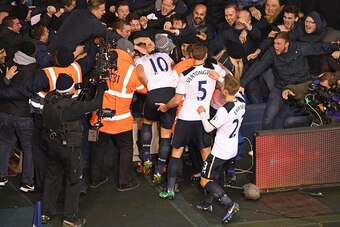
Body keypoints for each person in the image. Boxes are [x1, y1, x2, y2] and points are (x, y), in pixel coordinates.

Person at [157, 42, 226, 199]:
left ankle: (170, 189)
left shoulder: (185, 74)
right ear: (206, 55)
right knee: (206, 152)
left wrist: (165, 108)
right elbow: (229, 82)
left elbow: (176, 100)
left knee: (176, 151)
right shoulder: (213, 70)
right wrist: (220, 79)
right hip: (204, 118)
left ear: (191, 56)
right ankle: (211, 189)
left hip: (186, 118)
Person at [41, 73, 107, 226]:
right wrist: (101, 88)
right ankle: (69, 218)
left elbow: (69, 92)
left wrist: (84, 85)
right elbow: (96, 103)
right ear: (70, 90)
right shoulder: (72, 107)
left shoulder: (50, 98)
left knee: (52, 178)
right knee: (74, 181)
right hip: (69, 148)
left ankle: (45, 212)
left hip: (52, 145)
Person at [240, 31, 340, 130]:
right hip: (281, 87)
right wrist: (243, 83)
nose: (275, 46)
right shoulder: (271, 53)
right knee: (268, 118)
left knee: (318, 113)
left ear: (287, 44)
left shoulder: (299, 48)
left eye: (279, 44)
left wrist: (337, 47)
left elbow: (319, 47)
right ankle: (266, 143)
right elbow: (258, 67)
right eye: (274, 43)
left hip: (303, 85)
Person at [90, 49, 147, 192]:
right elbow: (145, 89)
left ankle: (95, 179)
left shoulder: (102, 64)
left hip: (99, 118)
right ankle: (124, 182)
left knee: (98, 149)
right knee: (126, 149)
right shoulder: (131, 71)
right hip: (121, 121)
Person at [195, 74, 245, 224]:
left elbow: (208, 127)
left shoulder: (224, 110)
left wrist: (202, 112)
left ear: (224, 91)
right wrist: (221, 78)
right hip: (232, 149)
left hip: (219, 152)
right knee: (214, 176)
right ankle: (207, 204)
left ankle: (229, 204)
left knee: (205, 181)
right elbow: (236, 90)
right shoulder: (242, 102)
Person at [135, 34, 177, 184]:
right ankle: (159, 168)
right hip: (170, 92)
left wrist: (150, 85)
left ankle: (146, 158)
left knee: (146, 121)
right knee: (165, 133)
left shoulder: (139, 59)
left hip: (154, 92)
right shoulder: (165, 56)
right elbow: (174, 68)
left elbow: (140, 74)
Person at [0, 42, 37, 192]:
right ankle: (27, 182)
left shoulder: (9, 62)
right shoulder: (34, 69)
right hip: (22, 114)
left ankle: (1, 176)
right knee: (28, 148)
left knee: (4, 143)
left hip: (4, 112)